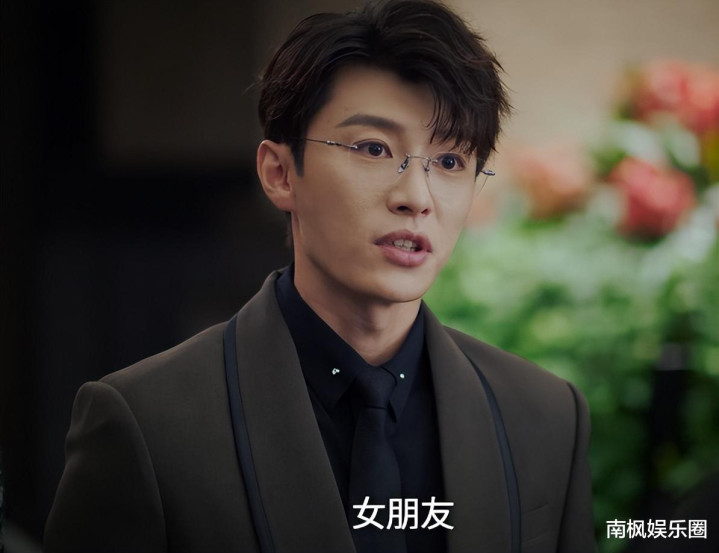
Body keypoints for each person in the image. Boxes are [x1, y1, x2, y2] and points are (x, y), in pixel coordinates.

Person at [44, 1, 595, 552]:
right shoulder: (147, 424)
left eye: (450, 162)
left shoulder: (545, 417)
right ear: (279, 174)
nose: (416, 196)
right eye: (374, 149)